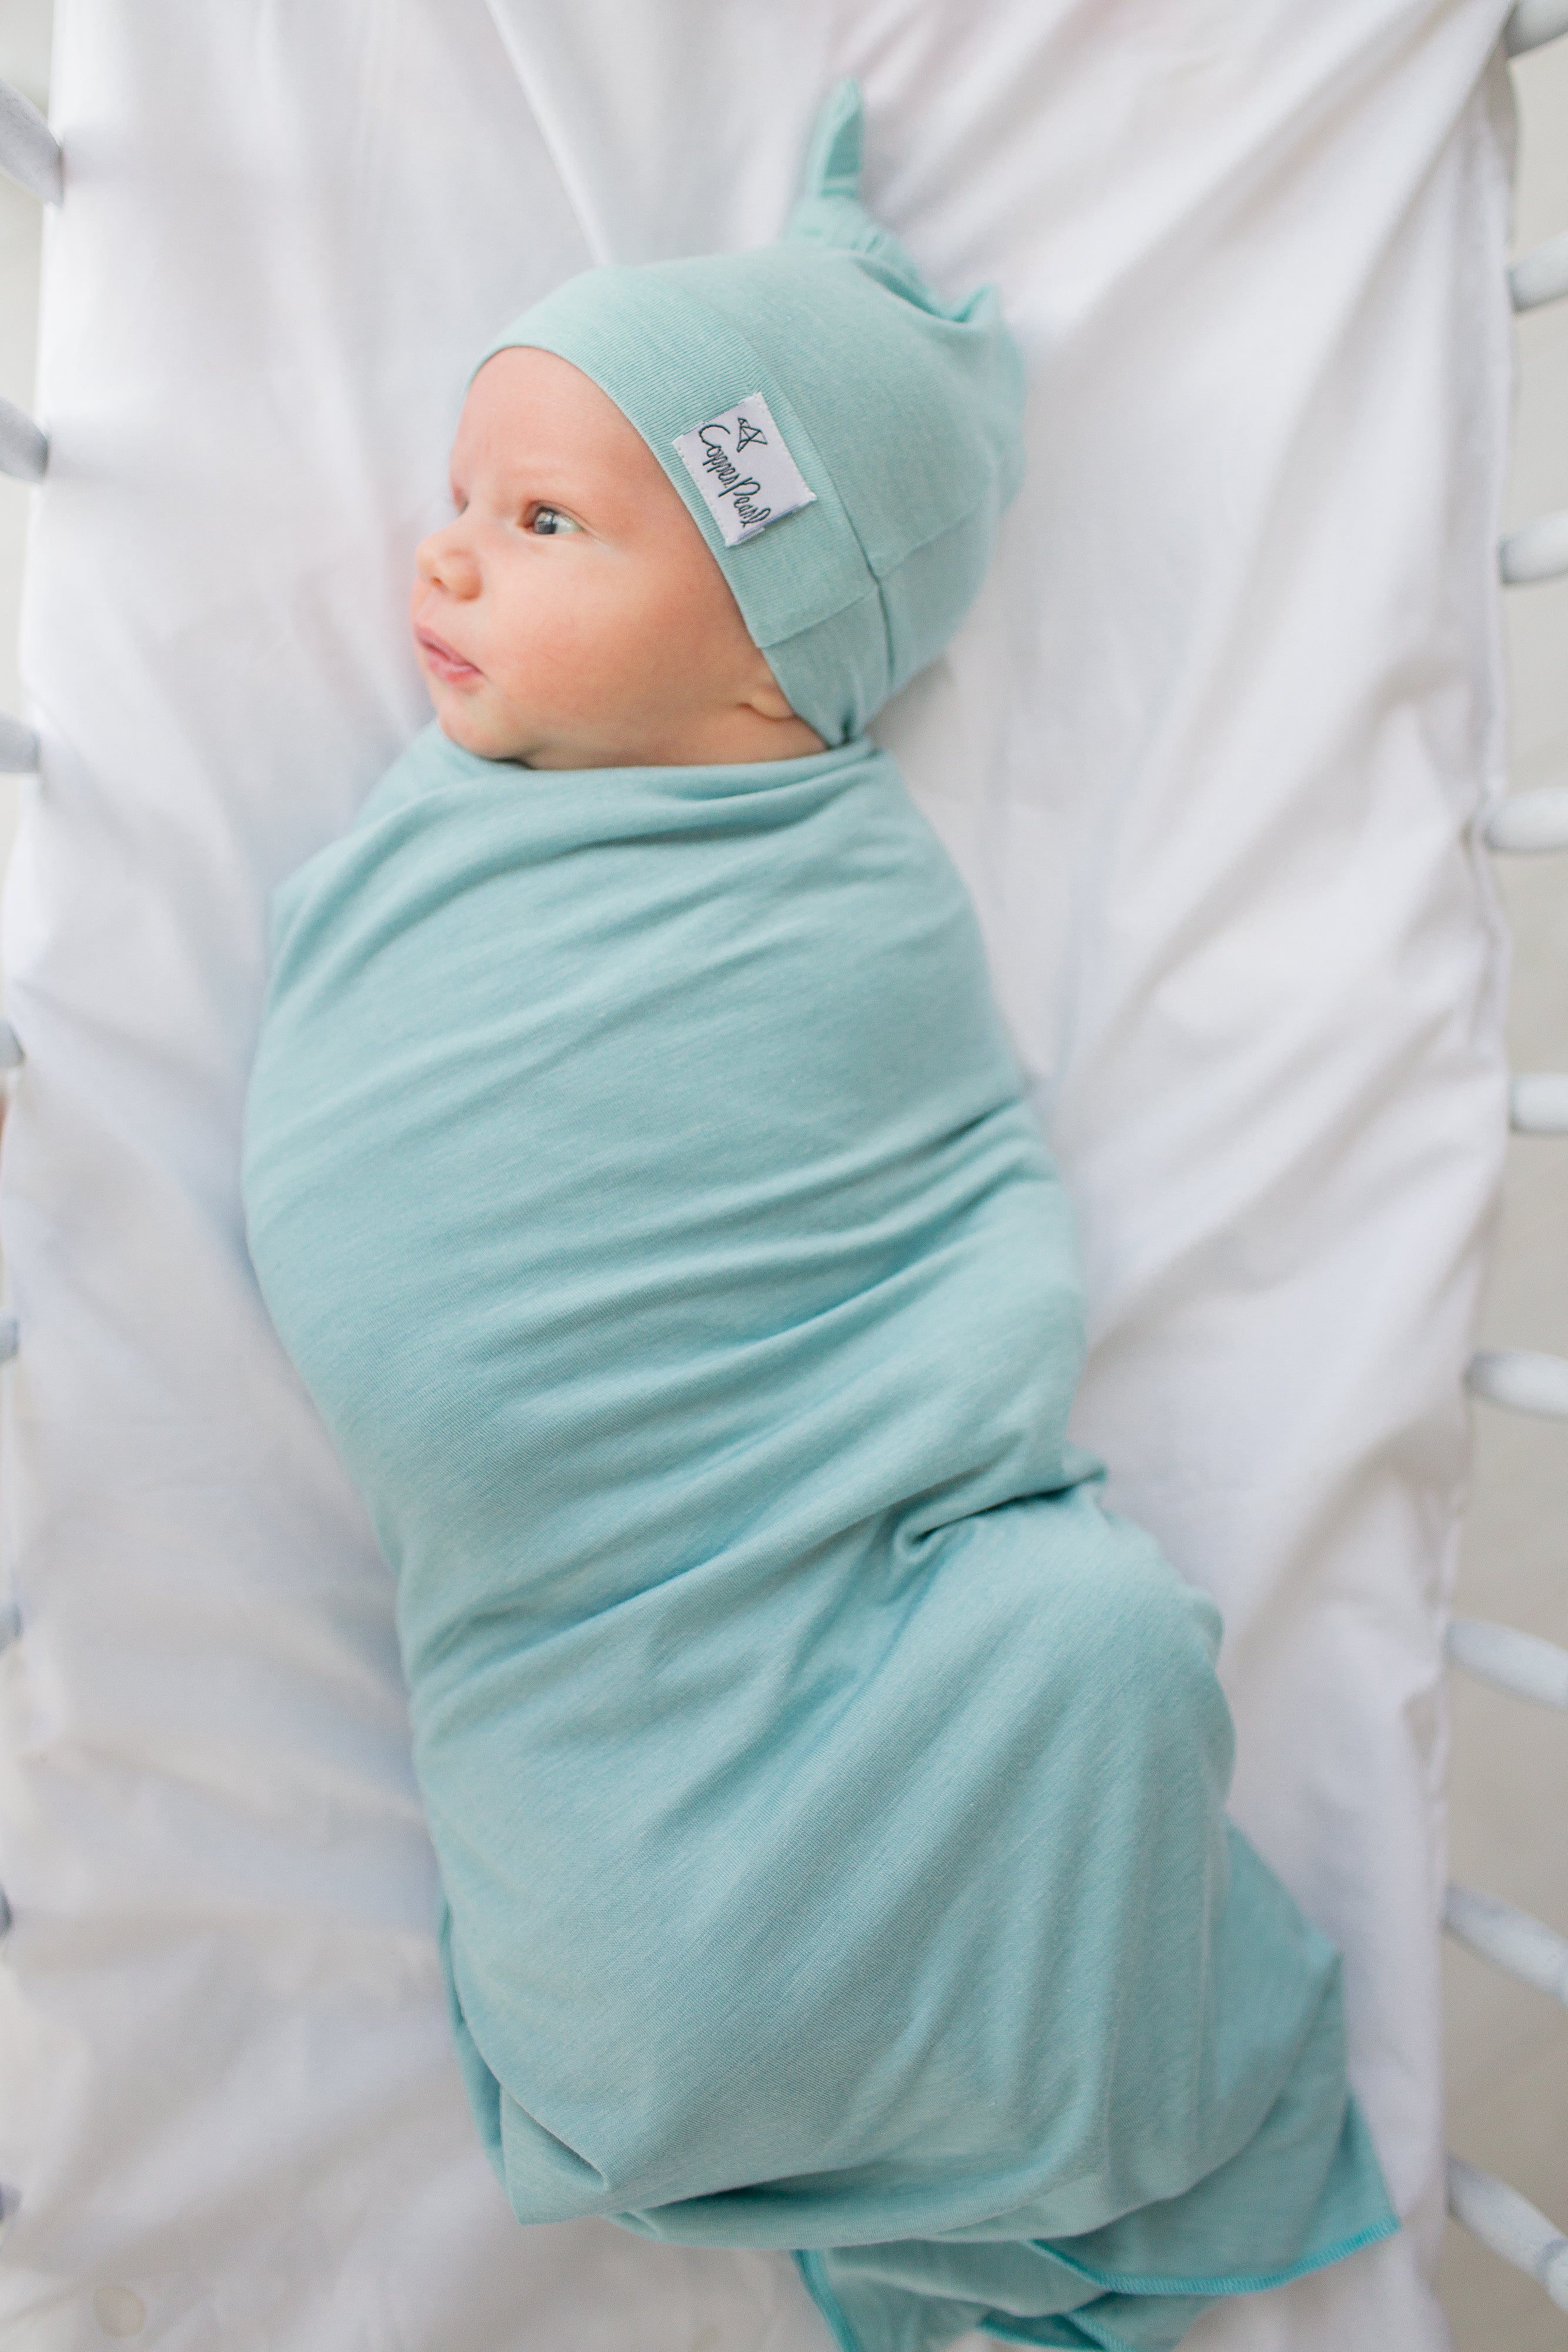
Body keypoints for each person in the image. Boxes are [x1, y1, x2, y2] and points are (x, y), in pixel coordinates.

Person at [242, 78, 1396, 2352]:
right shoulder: (454, 831)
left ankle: (947, 2059)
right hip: (583, 1645)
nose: (446, 560)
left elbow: (921, 1228)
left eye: (543, 521)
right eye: (464, 503)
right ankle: (833, 2071)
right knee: (708, 1930)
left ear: (771, 621)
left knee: (1091, 1653)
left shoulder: (848, 907)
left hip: (817, 1566)